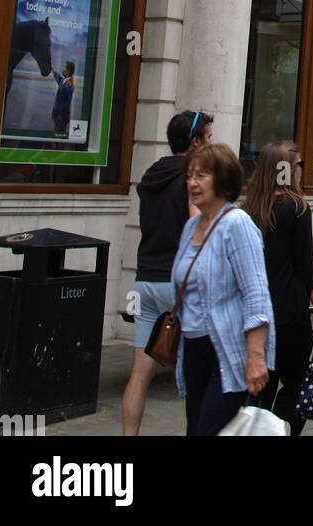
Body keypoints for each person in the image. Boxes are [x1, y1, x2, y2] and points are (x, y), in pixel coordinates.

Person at [172, 143, 274, 436]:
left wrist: (256, 357)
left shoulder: (237, 225)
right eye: (189, 175)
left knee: (208, 430)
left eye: (201, 175)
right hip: (193, 350)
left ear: (223, 180)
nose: (192, 183)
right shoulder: (191, 228)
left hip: (227, 350)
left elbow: (256, 294)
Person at [122, 109, 213, 436]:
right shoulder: (192, 178)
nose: (211, 144)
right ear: (195, 141)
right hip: (177, 285)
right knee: (195, 376)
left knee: (139, 374)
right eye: (208, 138)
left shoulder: (151, 175)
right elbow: (197, 225)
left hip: (145, 280)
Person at [242, 141, 313, 436]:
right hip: (290, 311)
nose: (303, 171)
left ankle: (258, 428)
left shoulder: (250, 209)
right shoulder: (297, 207)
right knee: (296, 382)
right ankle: (280, 431)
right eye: (300, 165)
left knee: (261, 384)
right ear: (287, 170)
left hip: (256, 310)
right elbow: (306, 262)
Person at [51, 60, 75, 137]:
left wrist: (59, 117)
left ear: (68, 71)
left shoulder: (68, 86)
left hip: (61, 117)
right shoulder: (66, 81)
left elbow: (64, 105)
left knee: (58, 135)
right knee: (57, 135)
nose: (62, 69)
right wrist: (52, 69)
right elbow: (59, 78)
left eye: (64, 67)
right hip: (59, 116)